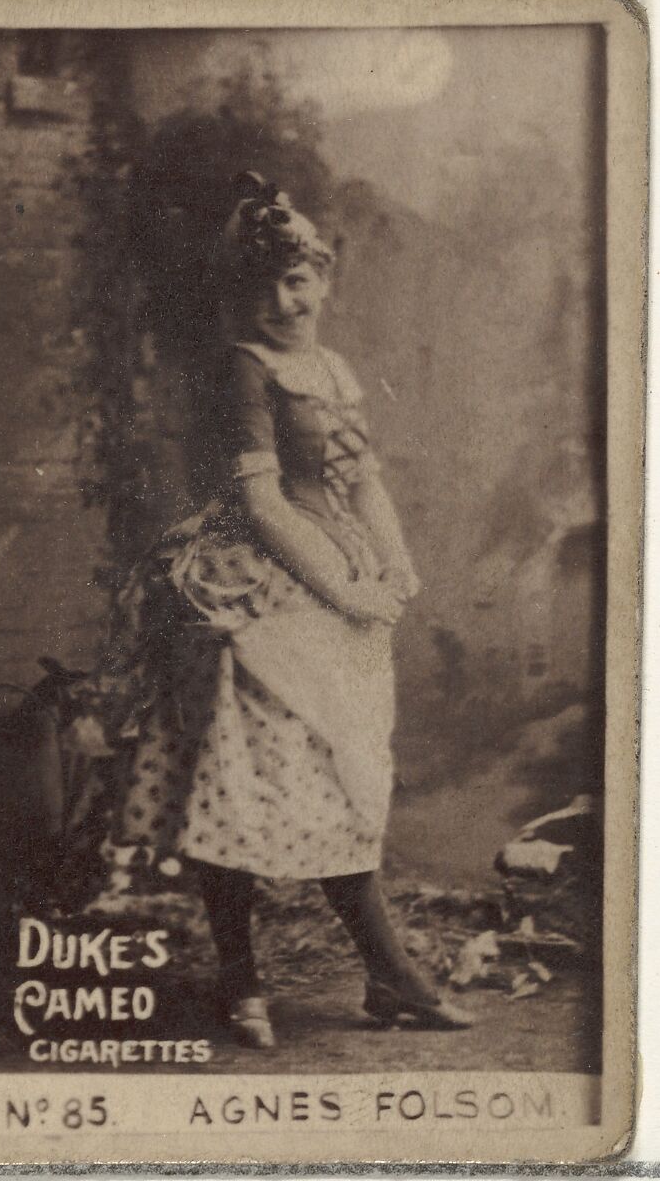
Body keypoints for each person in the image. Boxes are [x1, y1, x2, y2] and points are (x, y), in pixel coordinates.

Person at [105, 172, 474, 1048]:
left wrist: (394, 563)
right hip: (257, 593)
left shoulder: (332, 370)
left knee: (343, 784)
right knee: (236, 788)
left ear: (324, 278)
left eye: (297, 280)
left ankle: (386, 976)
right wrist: (345, 589)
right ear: (238, 295)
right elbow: (265, 507)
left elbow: (363, 480)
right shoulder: (243, 368)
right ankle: (243, 982)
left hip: (335, 592)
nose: (283, 302)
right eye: (262, 286)